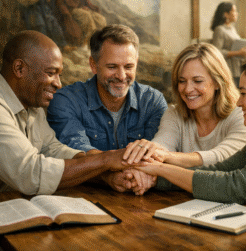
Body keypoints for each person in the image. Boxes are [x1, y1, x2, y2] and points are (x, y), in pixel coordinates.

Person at [125, 53, 246, 216]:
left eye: (244, 94)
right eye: (182, 81)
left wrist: (160, 168)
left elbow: (235, 186)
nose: (239, 102)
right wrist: (155, 178)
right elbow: (219, 170)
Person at [0, 30, 132, 195]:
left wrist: (105, 175)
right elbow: (30, 173)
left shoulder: (32, 104)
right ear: (19, 69)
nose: (58, 84)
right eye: (51, 73)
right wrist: (105, 160)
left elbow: (53, 150)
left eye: (59, 75)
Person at [47, 24, 167, 194]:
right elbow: (76, 155)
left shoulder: (153, 101)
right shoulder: (66, 101)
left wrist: (139, 176)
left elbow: (158, 154)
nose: (121, 76)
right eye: (112, 67)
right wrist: (110, 177)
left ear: (136, 63)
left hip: (144, 197)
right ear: (93, 65)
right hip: (84, 198)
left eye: (128, 66)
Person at [123, 43, 246, 168]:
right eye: (182, 81)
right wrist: (150, 155)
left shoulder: (242, 113)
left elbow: (225, 157)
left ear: (217, 82)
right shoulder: (174, 113)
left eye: (197, 81)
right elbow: (161, 145)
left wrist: (165, 156)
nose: (187, 89)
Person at [211, 2, 246, 87]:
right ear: (226, 14)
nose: (236, 13)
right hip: (228, 70)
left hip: (238, 69)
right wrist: (238, 53)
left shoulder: (232, 29)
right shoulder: (219, 30)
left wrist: (245, 51)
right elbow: (216, 52)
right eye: (234, 11)